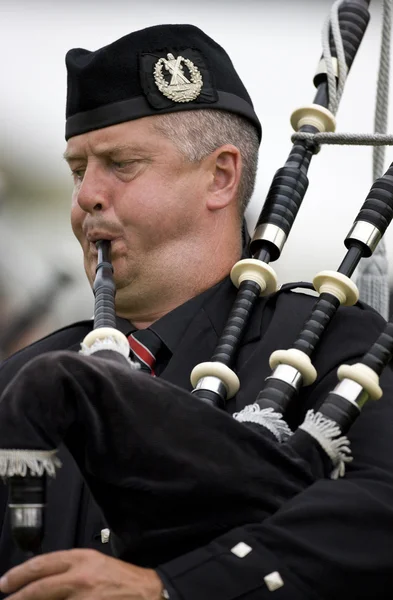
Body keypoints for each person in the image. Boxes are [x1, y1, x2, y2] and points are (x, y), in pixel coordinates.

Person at [0, 23, 393, 600]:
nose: (86, 196)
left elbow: (379, 516)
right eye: (79, 171)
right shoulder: (19, 381)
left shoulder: (338, 352)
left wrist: (168, 588)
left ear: (220, 176)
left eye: (122, 164)